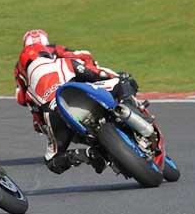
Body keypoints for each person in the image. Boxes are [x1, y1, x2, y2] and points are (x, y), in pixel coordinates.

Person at [14, 29, 138, 175]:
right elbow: (86, 59)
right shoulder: (61, 60)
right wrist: (110, 76)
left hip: (53, 113)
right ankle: (127, 107)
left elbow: (22, 100)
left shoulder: (26, 84)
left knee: (52, 161)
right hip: (76, 91)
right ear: (46, 49)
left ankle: (87, 154)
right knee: (121, 80)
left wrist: (42, 126)